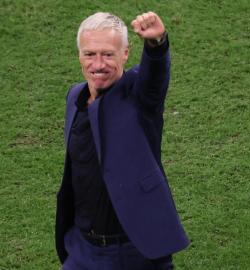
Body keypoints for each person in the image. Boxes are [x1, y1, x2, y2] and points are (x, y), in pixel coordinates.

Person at [55, 11, 189, 269]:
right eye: (90, 54)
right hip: (83, 250)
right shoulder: (75, 97)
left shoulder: (138, 95)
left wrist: (156, 44)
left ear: (125, 53)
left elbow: (155, 78)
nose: (98, 64)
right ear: (79, 56)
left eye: (108, 54)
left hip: (135, 251)